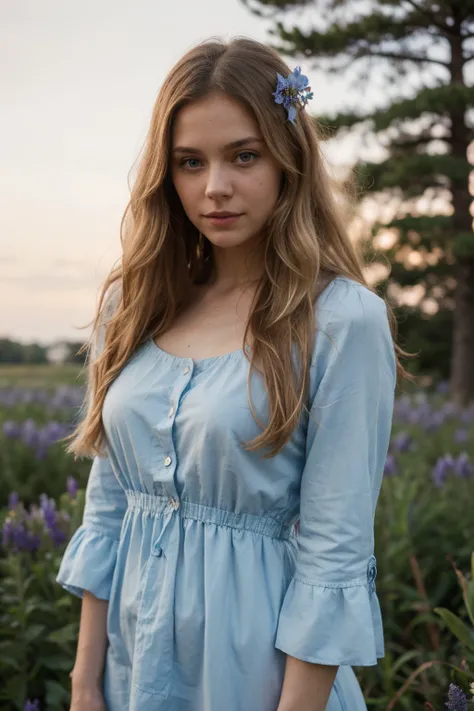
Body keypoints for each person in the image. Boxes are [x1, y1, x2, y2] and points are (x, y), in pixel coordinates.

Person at [57, 36, 411, 711]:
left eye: (243, 156)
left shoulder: (342, 321)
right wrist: (83, 684)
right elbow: (108, 508)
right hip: (132, 667)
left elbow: (333, 552)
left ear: (289, 161)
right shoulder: (131, 308)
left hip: (262, 676)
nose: (214, 187)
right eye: (190, 162)